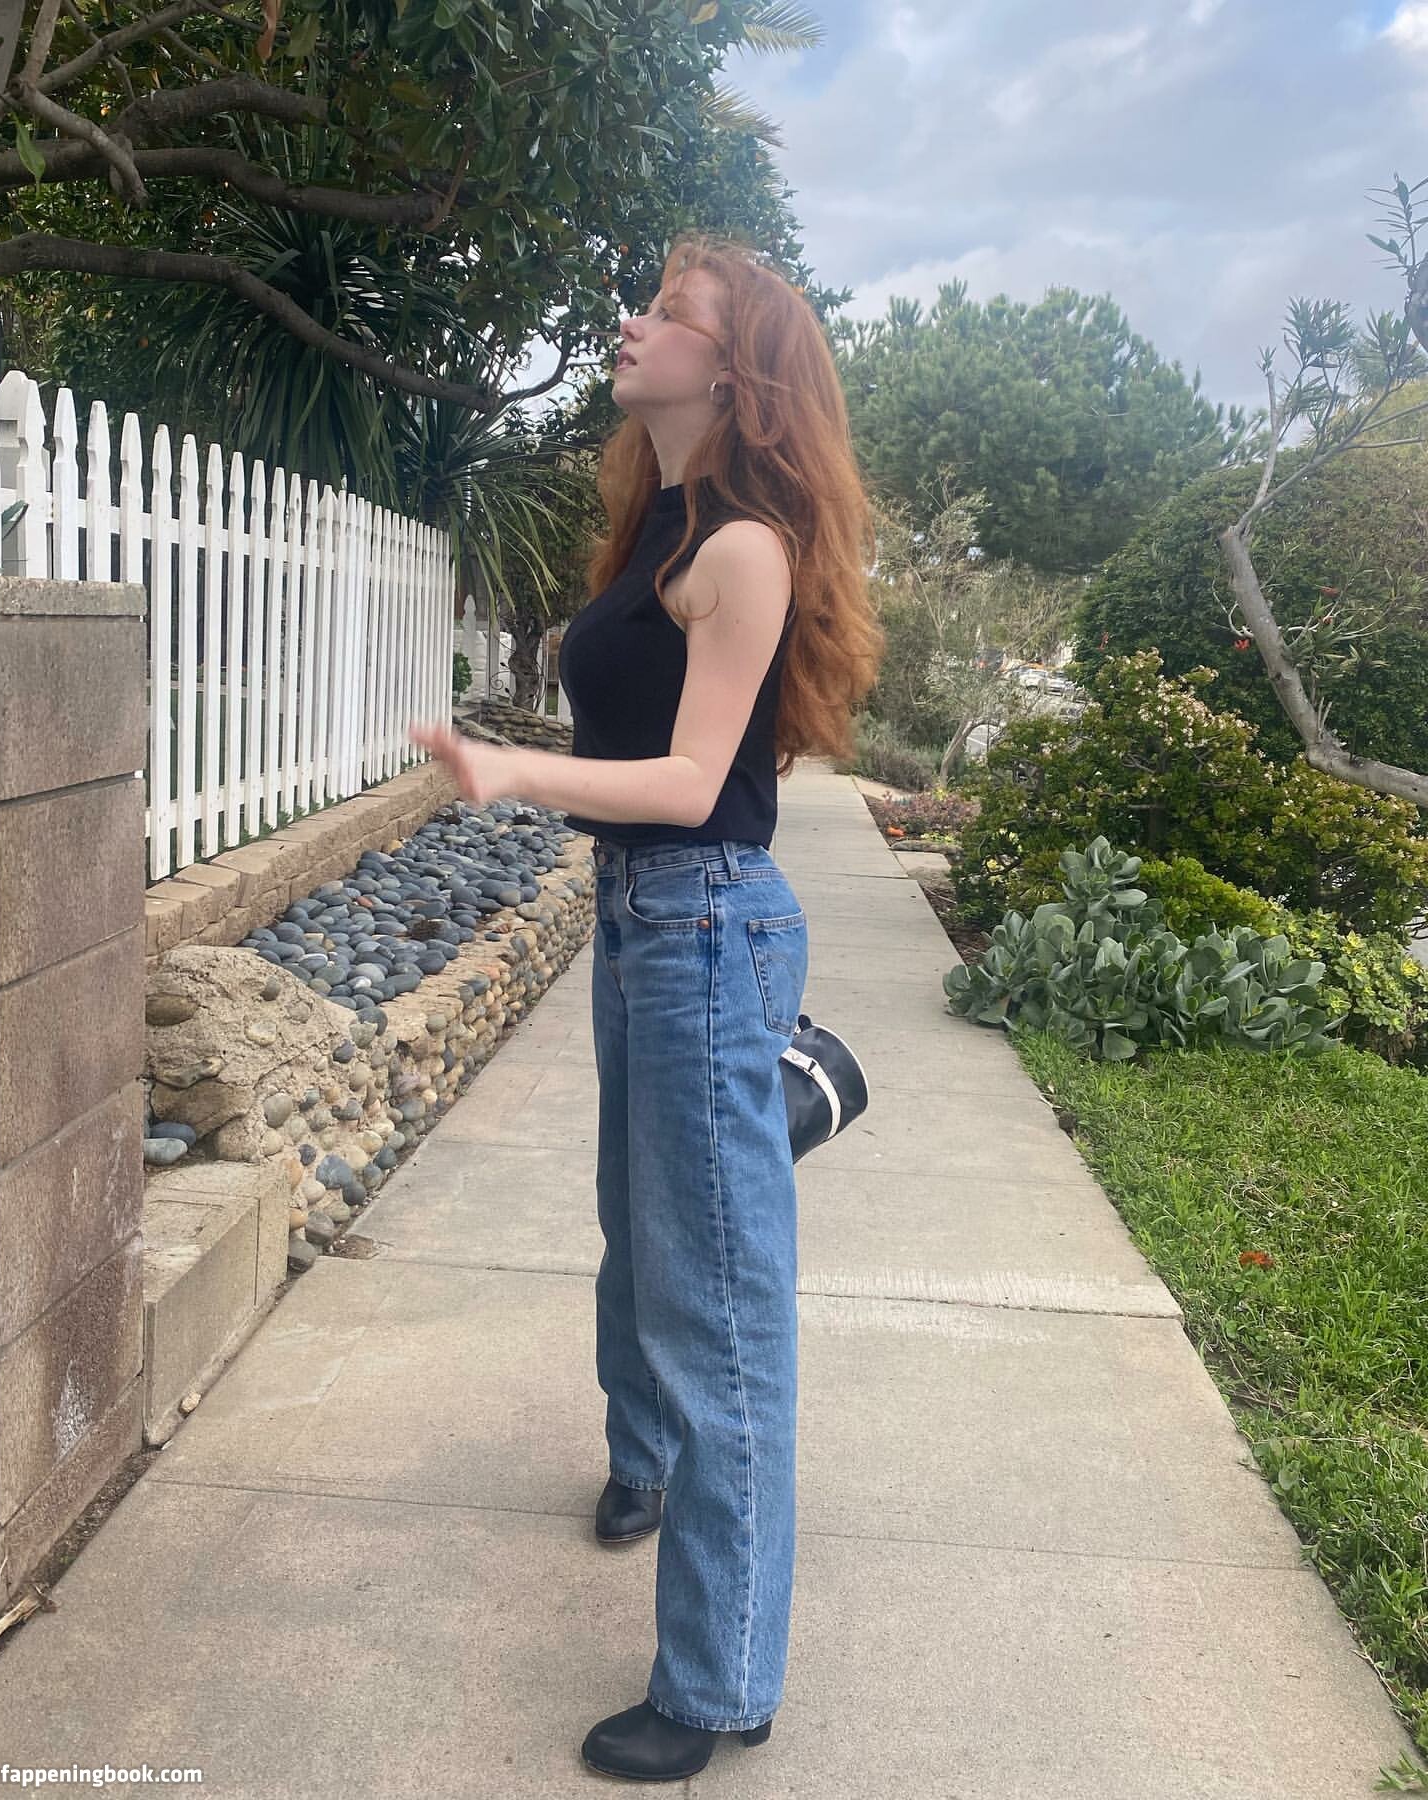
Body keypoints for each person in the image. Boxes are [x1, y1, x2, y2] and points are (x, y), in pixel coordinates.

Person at [410, 231, 885, 1782]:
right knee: (644, 1229)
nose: (633, 323)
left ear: (735, 374)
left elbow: (690, 784)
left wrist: (513, 769)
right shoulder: (659, 528)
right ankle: (646, 1461)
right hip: (648, 927)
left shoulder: (743, 546)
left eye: (670, 313)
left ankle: (719, 1686)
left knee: (718, 1314)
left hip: (703, 924)